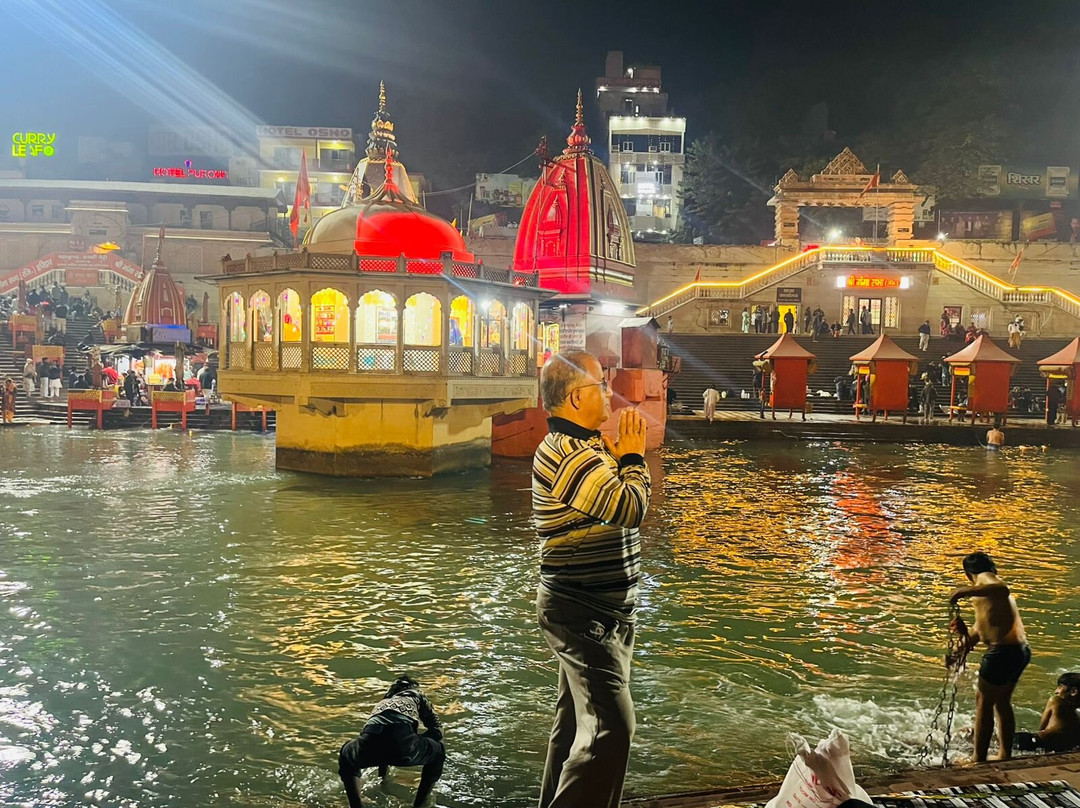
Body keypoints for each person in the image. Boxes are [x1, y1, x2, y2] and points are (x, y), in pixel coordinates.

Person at [533, 351, 650, 808]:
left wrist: (623, 458)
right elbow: (629, 507)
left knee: (575, 724)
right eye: (602, 385)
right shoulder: (566, 453)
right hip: (581, 609)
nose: (609, 391)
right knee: (611, 727)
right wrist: (635, 457)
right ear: (578, 397)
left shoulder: (589, 447)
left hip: (603, 608)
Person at [950, 552, 1030, 762]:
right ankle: (1004, 754)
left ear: (968, 574)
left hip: (1002, 653)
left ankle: (979, 758)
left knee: (983, 702)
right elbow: (980, 630)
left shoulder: (986, 580)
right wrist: (959, 650)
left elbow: (1003, 588)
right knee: (1002, 702)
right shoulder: (987, 597)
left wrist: (963, 591)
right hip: (1019, 651)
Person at [337, 674, 444, 808]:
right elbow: (438, 730)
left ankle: (356, 804)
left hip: (369, 741)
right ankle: (420, 804)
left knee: (346, 754)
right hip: (402, 742)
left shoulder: (382, 703)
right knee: (438, 751)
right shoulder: (416, 694)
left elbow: (380, 736)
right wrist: (421, 741)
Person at [1015, 672, 1080, 753]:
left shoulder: (1056, 701)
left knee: (1000, 738)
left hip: (1035, 743)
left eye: (1060, 687)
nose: (1056, 691)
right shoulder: (1077, 718)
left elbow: (1041, 728)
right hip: (1057, 747)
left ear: (1073, 691)